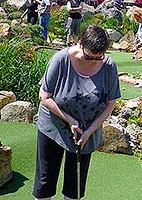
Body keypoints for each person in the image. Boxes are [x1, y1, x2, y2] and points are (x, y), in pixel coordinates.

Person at [32, 26, 121, 200]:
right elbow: (44, 96)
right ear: (80, 43)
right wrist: (70, 120)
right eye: (88, 56)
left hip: (86, 132)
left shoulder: (109, 66)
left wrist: (89, 132)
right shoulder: (60, 60)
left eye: (98, 57)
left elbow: (110, 105)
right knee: (45, 181)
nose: (93, 61)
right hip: (53, 126)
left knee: (75, 186)